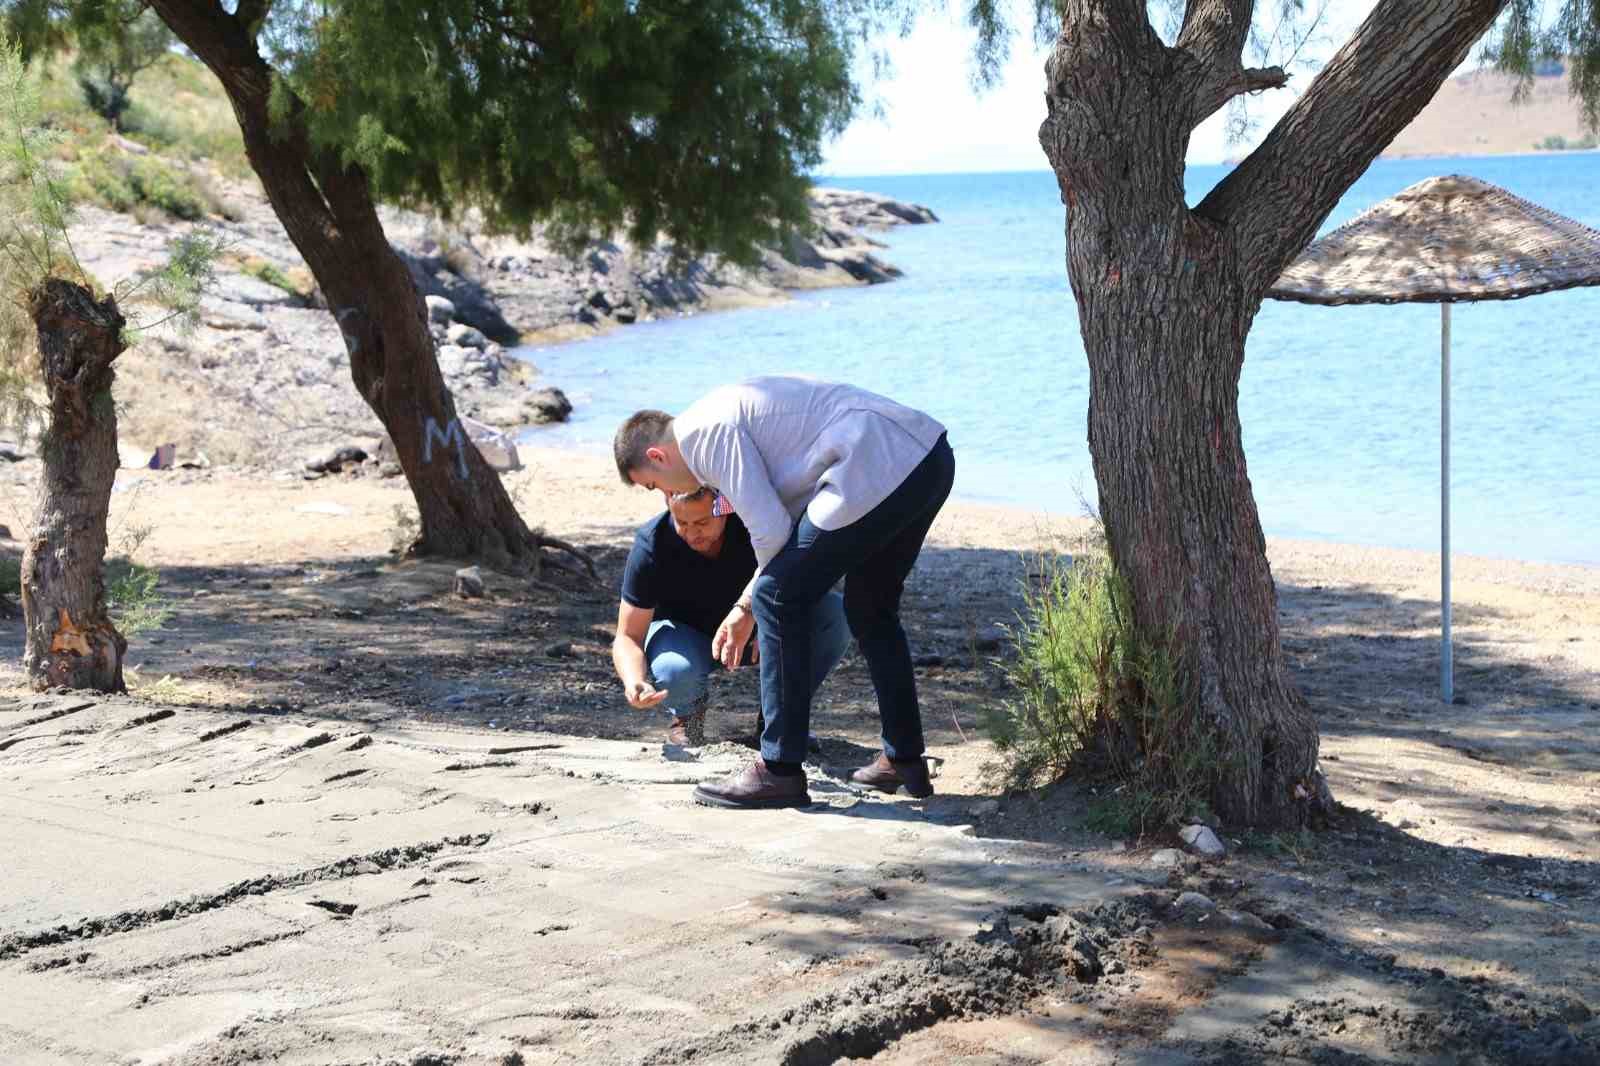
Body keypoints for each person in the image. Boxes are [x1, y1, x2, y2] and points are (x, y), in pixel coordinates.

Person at [613, 375, 955, 809]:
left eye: (654, 484)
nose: (664, 494)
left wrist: (743, 610)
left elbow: (771, 533)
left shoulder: (705, 436)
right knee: (870, 607)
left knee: (777, 597)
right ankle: (904, 757)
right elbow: (787, 527)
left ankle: (778, 769)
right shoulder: (714, 428)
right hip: (927, 458)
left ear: (657, 456)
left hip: (880, 462)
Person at [611, 485, 849, 749]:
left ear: (724, 510)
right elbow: (628, 635)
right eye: (682, 522)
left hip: (763, 628)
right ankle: (688, 719)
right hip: (687, 638)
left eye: (702, 522)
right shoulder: (651, 543)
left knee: (834, 615)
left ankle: (780, 718)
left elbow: (811, 578)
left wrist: (776, 617)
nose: (692, 533)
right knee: (673, 670)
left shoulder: (757, 527)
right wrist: (634, 681)